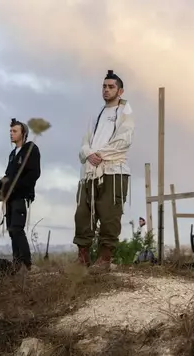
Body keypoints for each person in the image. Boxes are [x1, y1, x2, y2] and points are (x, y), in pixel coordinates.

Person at [73, 70, 134, 269]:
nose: (106, 90)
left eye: (111, 87)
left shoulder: (125, 113)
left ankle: (105, 258)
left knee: (109, 214)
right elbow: (84, 141)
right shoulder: (96, 114)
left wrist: (99, 154)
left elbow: (124, 141)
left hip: (113, 171)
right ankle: (83, 257)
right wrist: (89, 154)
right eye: (104, 86)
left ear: (120, 91)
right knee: (83, 213)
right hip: (90, 171)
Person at [0, 118, 41, 271]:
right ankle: (17, 266)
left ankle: (28, 265)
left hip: (21, 196)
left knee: (17, 229)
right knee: (12, 231)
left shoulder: (31, 148)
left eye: (14, 131)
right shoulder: (13, 154)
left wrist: (17, 187)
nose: (11, 134)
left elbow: (34, 173)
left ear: (23, 133)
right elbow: (8, 175)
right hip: (10, 197)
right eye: (10, 131)